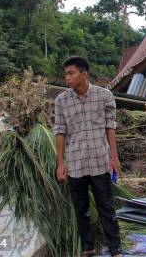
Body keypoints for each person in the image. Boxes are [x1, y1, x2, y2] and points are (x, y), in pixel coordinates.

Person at [53, 56, 123, 257]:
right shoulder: (61, 101)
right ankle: (88, 246)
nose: (67, 77)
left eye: (71, 73)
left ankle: (115, 247)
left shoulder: (104, 96)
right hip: (75, 164)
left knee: (106, 208)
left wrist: (113, 157)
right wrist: (60, 163)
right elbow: (60, 132)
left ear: (84, 74)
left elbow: (110, 127)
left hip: (100, 162)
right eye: (65, 73)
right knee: (81, 209)